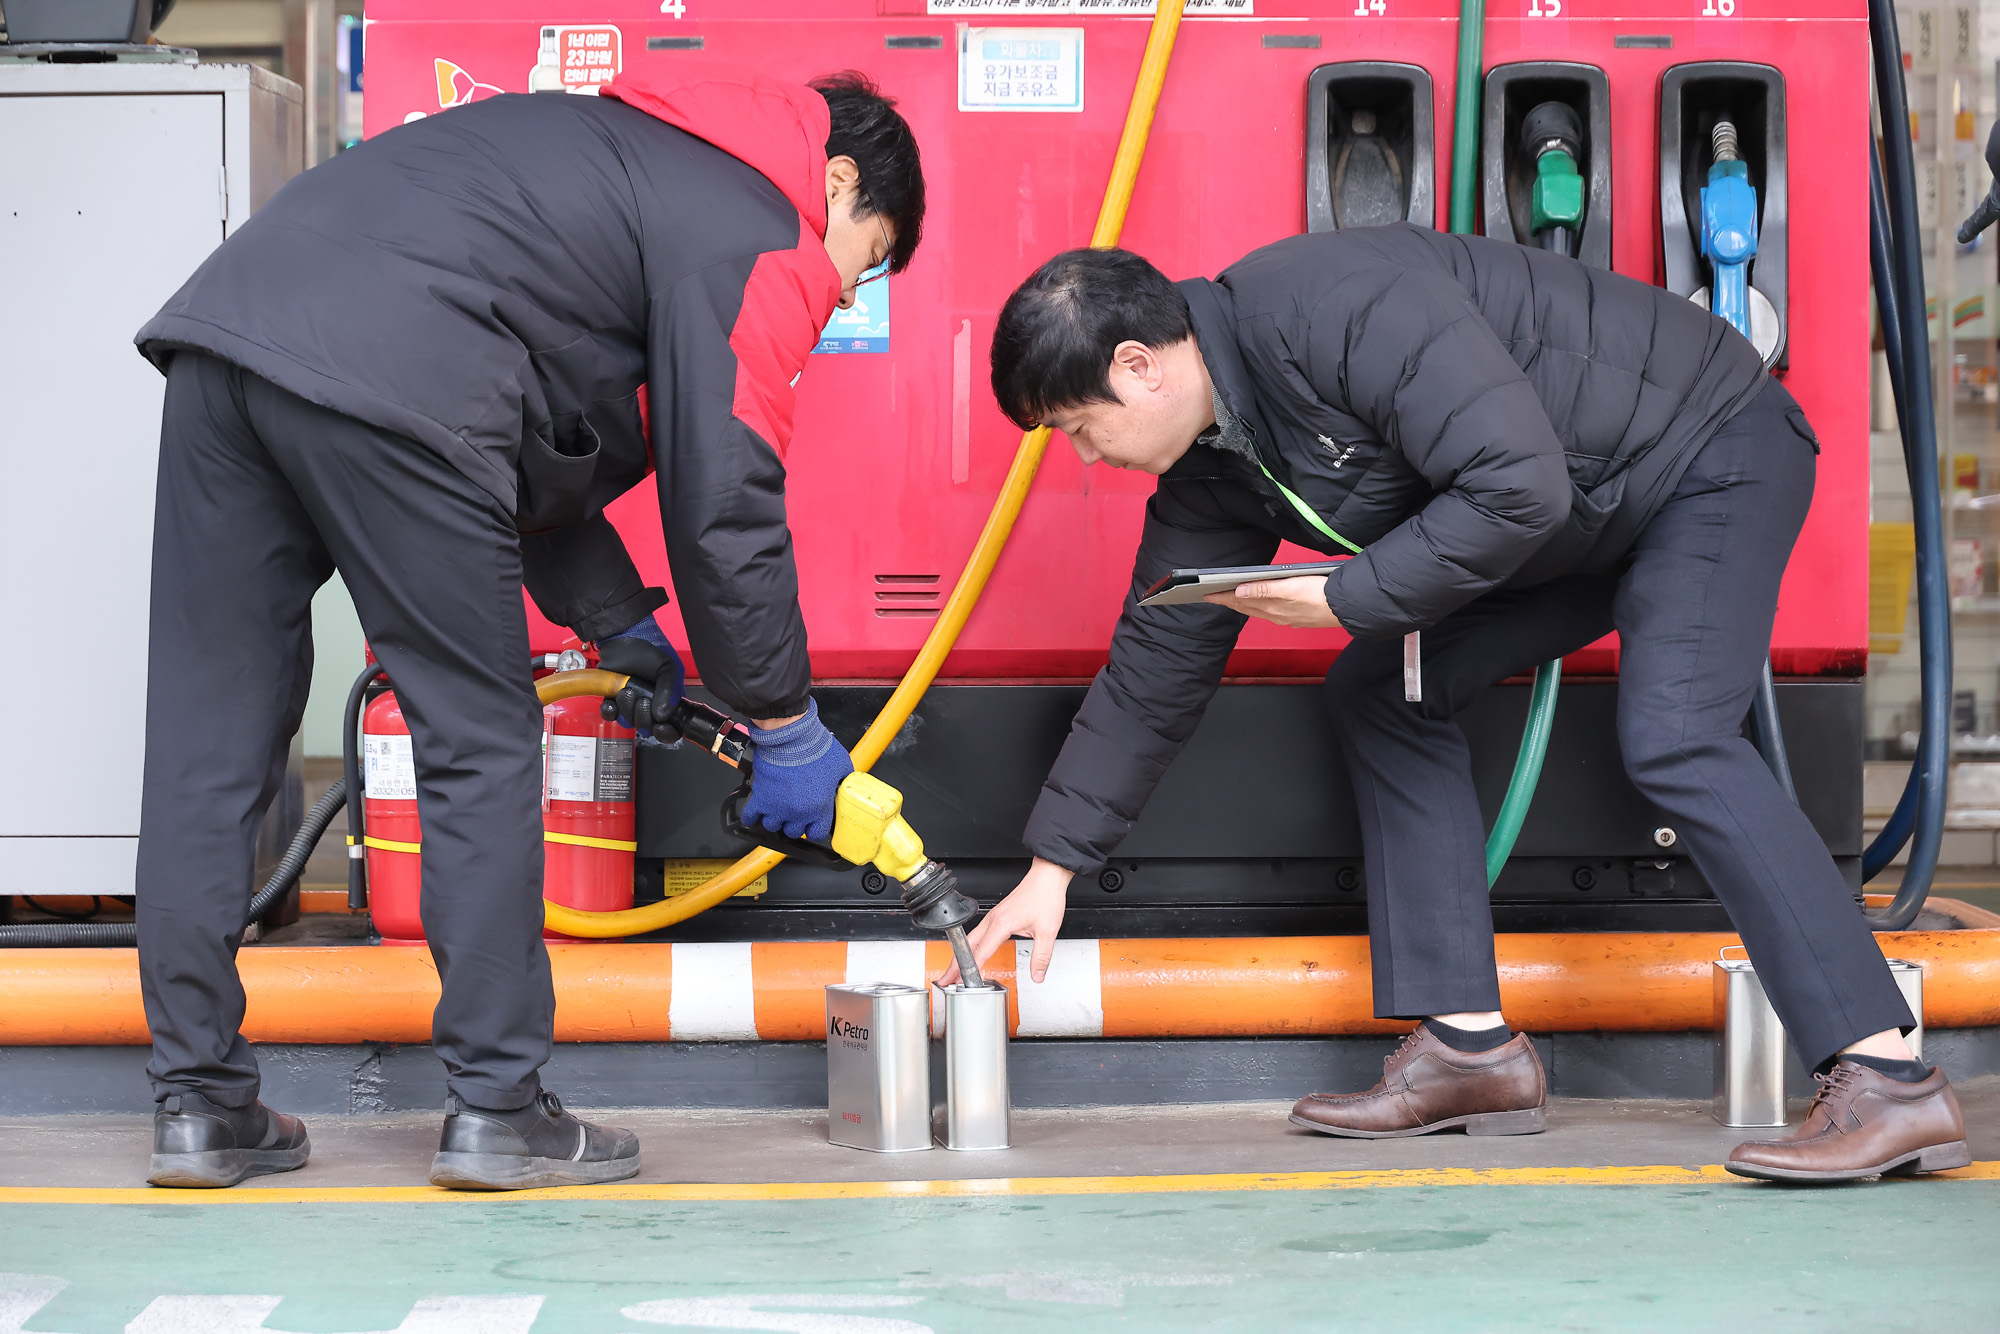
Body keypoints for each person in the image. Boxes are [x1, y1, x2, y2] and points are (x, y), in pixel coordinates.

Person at [955, 229, 1969, 1183]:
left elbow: (1513, 482)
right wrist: (1055, 865)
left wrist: (1344, 596)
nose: (1087, 457)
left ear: (1138, 365)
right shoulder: (1214, 465)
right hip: (1576, 513)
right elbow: (1158, 658)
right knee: (1383, 688)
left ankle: (1885, 1073)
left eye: (1081, 428)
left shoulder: (1329, 307)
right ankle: (1468, 1049)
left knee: (1675, 734)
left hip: (1705, 452)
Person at [132, 65, 923, 1190]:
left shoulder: (619, 162)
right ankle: (499, 1109)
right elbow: (724, 499)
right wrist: (785, 723)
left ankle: (199, 1105)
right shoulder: (761, 220)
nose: (844, 298)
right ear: (837, 181)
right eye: (865, 261)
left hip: (227, 341)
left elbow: (527, 441)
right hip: (395, 362)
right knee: (479, 739)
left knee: (205, 744)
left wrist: (619, 626)